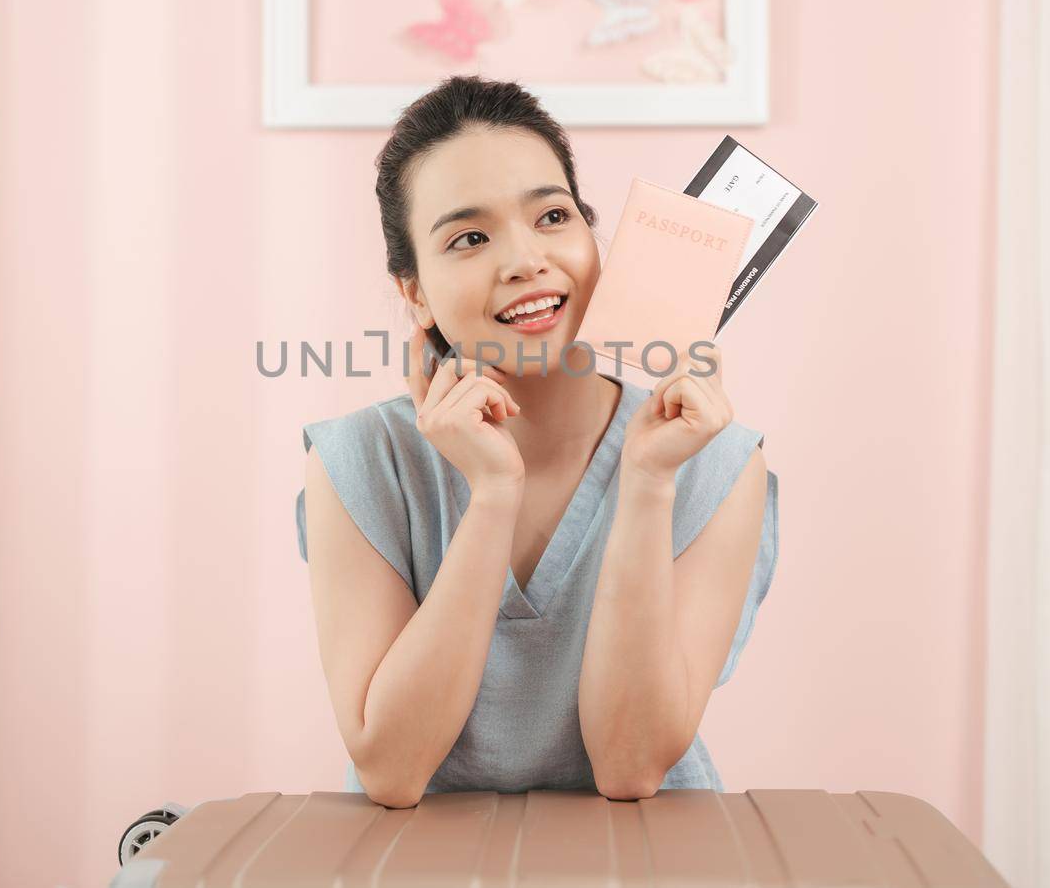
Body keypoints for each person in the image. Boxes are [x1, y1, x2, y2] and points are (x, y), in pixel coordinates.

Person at [294, 74, 779, 807]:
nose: (525, 258)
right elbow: (392, 769)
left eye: (552, 216)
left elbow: (630, 764)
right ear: (415, 292)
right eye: (470, 237)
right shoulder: (360, 462)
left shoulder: (714, 462)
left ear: (592, 236)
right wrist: (491, 494)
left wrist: (646, 480)